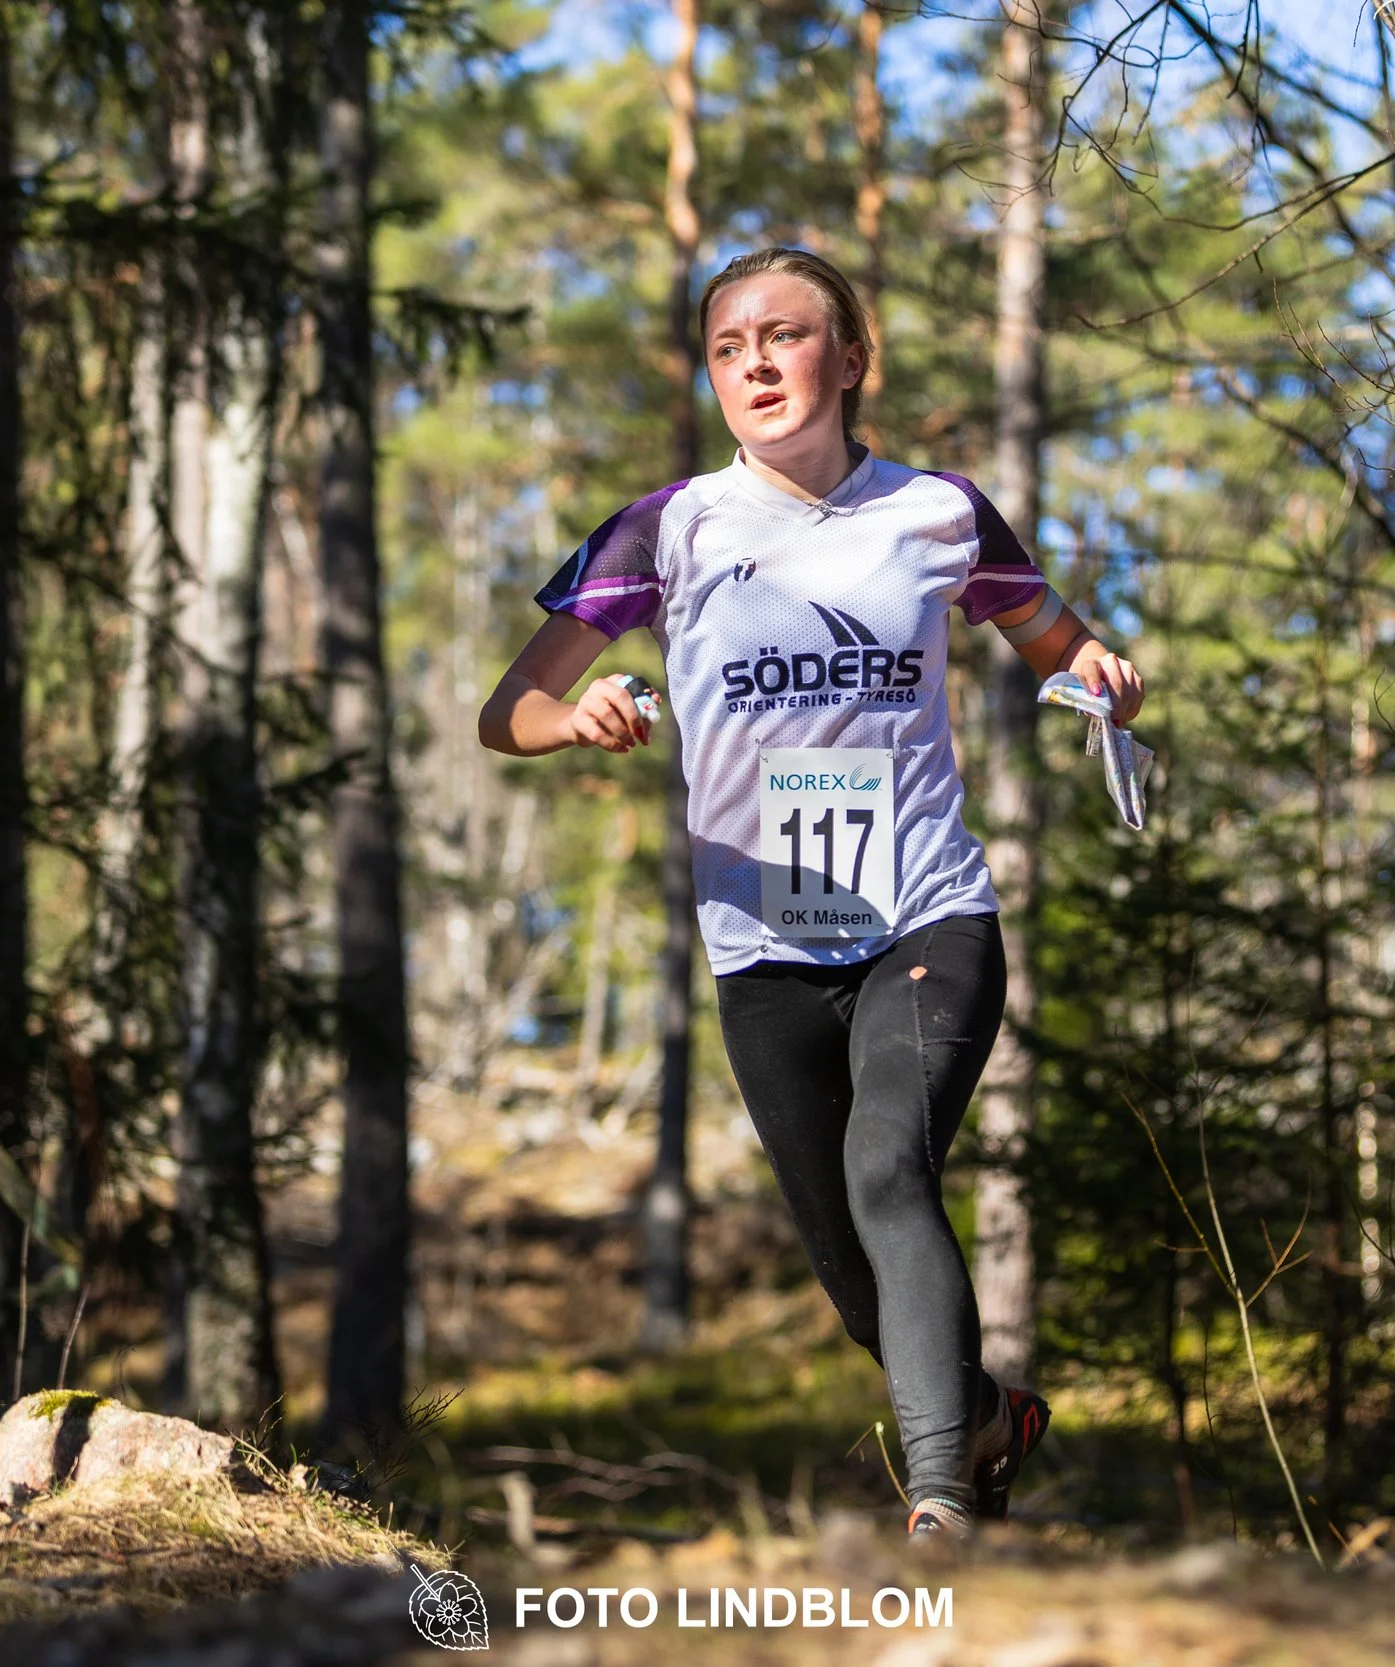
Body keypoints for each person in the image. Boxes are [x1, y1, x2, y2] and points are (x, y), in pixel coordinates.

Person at [478, 246, 1144, 1537]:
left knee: (891, 1170)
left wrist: (1103, 675)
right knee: (850, 1268)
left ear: (850, 358)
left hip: (924, 914)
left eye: (785, 336)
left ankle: (942, 1501)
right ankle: (992, 1417)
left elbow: (1064, 641)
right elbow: (507, 708)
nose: (758, 364)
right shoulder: (665, 528)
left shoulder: (939, 513)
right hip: (766, 938)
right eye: (730, 348)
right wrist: (578, 719)